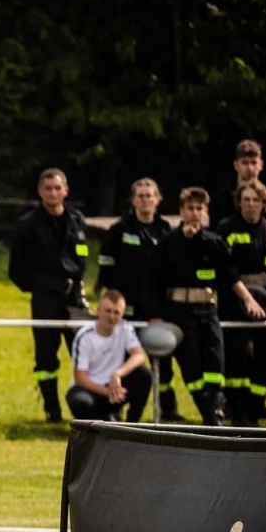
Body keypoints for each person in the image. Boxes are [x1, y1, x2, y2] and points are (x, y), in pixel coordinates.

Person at [151, 187, 263, 426]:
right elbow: (154, 281)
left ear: (205, 211)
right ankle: (210, 415)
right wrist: (156, 314)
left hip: (208, 310)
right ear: (181, 211)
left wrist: (248, 299)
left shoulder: (214, 242)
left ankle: (214, 411)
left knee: (215, 361)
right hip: (180, 311)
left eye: (199, 209)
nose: (194, 213)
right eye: (190, 208)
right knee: (192, 366)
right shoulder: (168, 243)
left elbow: (230, 275)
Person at [8, 168, 91, 422]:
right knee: (45, 355)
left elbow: (82, 255)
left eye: (57, 188)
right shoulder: (28, 224)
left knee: (84, 351)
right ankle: (52, 410)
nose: (53, 193)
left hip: (74, 297)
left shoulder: (76, 219)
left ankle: (88, 407)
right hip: (45, 298)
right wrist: (39, 286)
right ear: (39, 191)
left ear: (65, 190)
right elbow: (16, 269)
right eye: (48, 188)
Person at [97, 178, 177, 420]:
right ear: (133, 200)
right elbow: (106, 268)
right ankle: (116, 407)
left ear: (158, 199)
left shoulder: (166, 231)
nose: (145, 200)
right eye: (140, 196)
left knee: (163, 361)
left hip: (157, 310)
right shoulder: (118, 230)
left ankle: (167, 408)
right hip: (125, 310)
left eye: (149, 195)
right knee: (122, 360)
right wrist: (114, 302)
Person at [213, 179, 266, 424]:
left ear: (263, 202)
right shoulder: (227, 228)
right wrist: (247, 299)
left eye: (255, 199)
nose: (251, 204)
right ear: (238, 203)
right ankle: (236, 410)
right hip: (234, 301)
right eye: (246, 199)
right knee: (236, 357)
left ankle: (255, 405)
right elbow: (226, 269)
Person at [67, 289, 152, 422]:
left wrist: (117, 374)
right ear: (98, 310)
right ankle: (94, 427)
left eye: (116, 312)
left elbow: (139, 355)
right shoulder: (84, 336)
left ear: (122, 314)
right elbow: (80, 378)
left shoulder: (125, 328)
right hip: (90, 389)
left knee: (144, 376)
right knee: (80, 402)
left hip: (115, 387)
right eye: (108, 311)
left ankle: (132, 424)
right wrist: (108, 392)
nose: (112, 316)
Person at [216, 140, 266, 224]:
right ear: (236, 165)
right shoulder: (223, 199)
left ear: (261, 165)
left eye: (254, 162)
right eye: (245, 163)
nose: (250, 168)